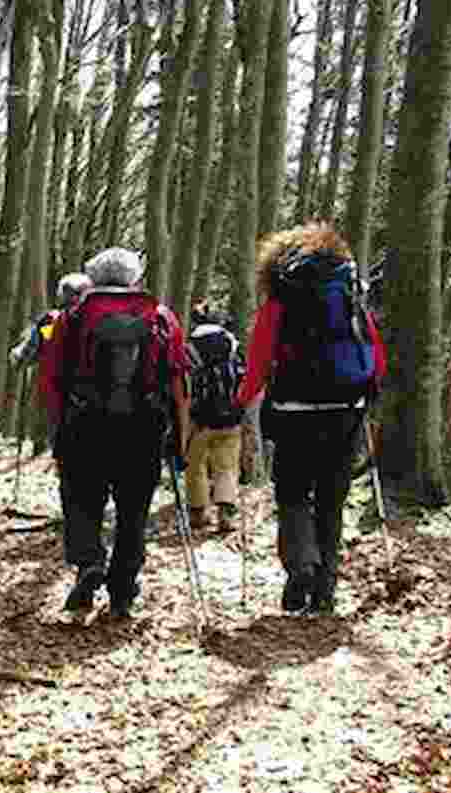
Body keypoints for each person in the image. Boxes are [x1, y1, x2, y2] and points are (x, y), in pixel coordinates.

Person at [235, 221, 387, 615]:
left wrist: (243, 400)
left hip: (293, 414)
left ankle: (300, 569)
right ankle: (326, 591)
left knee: (292, 496)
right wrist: (369, 396)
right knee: (332, 501)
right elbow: (374, 354)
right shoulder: (350, 295)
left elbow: (259, 358)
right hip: (345, 414)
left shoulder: (280, 298)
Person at [39, 247, 191, 616]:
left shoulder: (72, 317)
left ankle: (89, 562)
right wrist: (180, 436)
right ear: (135, 278)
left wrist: (57, 428)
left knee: (81, 499)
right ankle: (123, 587)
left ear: (92, 278)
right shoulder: (160, 317)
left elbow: (51, 377)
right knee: (133, 509)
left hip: (84, 424)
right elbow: (178, 381)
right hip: (143, 427)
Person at [185, 303, 245, 531]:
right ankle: (225, 513)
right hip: (231, 417)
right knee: (227, 466)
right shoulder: (233, 345)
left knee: (195, 465)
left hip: (199, 419)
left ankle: (198, 513)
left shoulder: (190, 347)